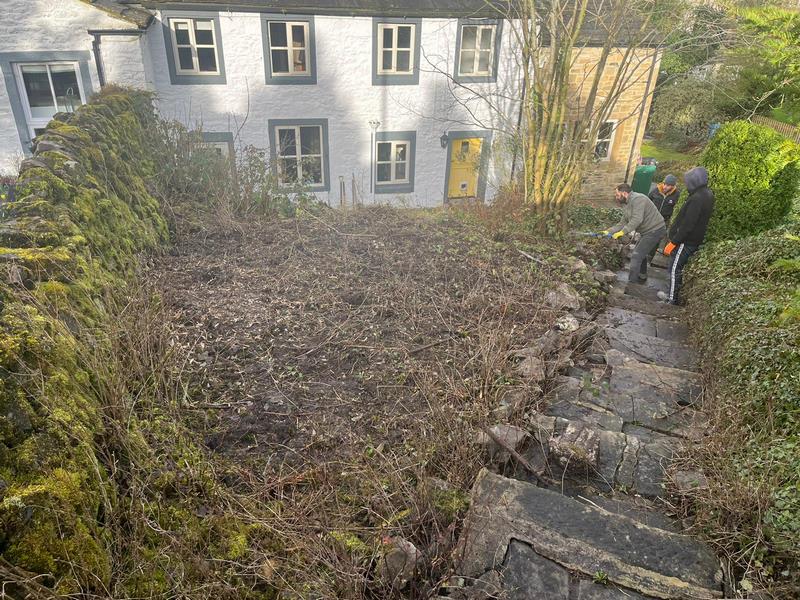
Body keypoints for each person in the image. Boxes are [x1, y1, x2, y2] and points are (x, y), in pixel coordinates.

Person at [657, 167, 715, 305]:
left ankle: (671, 299)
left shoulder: (697, 198)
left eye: (689, 181)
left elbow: (688, 224)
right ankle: (671, 294)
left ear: (695, 181)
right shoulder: (707, 194)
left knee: (674, 268)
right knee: (675, 267)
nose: (687, 184)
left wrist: (674, 242)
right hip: (690, 240)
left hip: (686, 241)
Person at [602, 183, 667, 284]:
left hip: (655, 230)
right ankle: (642, 275)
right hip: (647, 231)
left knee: (636, 256)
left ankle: (632, 284)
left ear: (624, 193)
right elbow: (622, 223)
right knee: (641, 252)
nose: (616, 197)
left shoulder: (638, 199)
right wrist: (608, 231)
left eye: (617, 194)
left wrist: (623, 232)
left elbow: (637, 219)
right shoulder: (626, 204)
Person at [646, 174, 681, 263]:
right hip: (651, 218)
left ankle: (649, 257)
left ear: (673, 186)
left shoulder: (677, 194)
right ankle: (642, 253)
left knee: (657, 239)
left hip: (663, 221)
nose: (665, 187)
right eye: (665, 184)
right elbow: (647, 201)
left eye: (668, 185)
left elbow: (677, 209)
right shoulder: (656, 191)